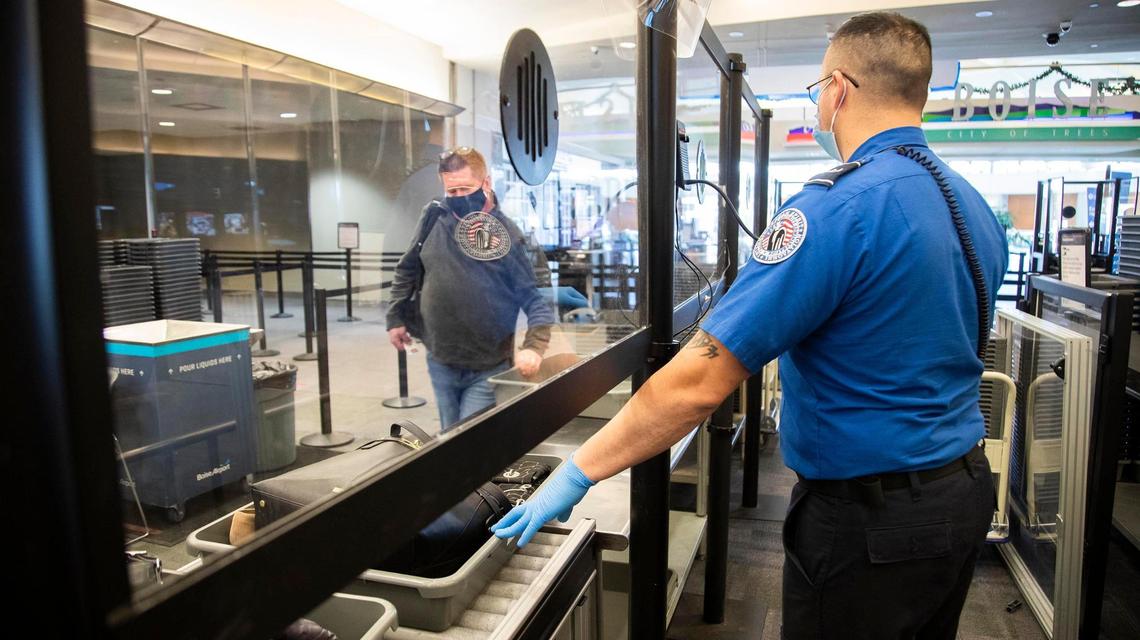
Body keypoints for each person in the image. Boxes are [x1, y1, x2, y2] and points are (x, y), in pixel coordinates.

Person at [492, 11, 1009, 639]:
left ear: (839, 90)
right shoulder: (972, 206)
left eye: (818, 90)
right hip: (961, 494)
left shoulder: (835, 208)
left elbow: (698, 384)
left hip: (870, 527)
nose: (819, 104)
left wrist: (578, 472)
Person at [386, 147, 557, 431]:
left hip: (488, 365)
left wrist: (534, 347)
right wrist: (396, 318)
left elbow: (536, 297)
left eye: (466, 188)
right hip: (440, 358)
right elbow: (407, 269)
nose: (458, 198)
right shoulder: (432, 219)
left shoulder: (509, 235)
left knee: (466, 437)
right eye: (451, 191)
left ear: (486, 184)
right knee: (447, 436)